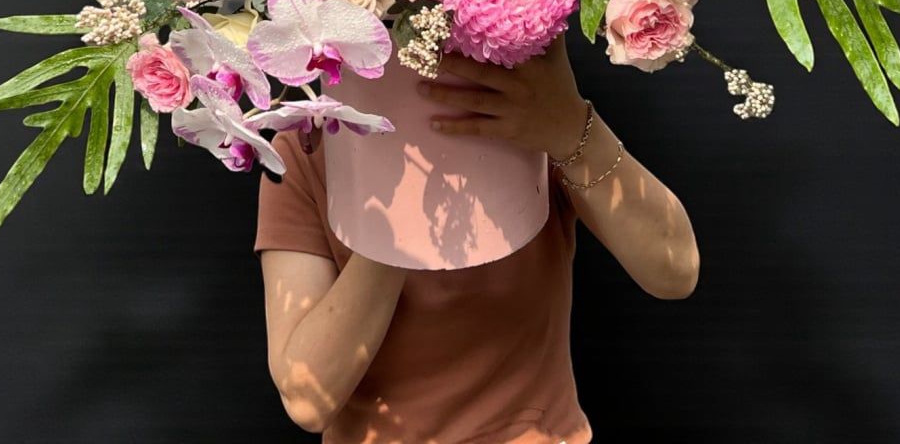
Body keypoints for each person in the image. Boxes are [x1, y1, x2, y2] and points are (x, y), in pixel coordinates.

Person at [255, 35, 700, 443]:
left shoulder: (523, 112)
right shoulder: (306, 150)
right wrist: (397, 193)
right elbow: (308, 399)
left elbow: (676, 269)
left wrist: (569, 128)